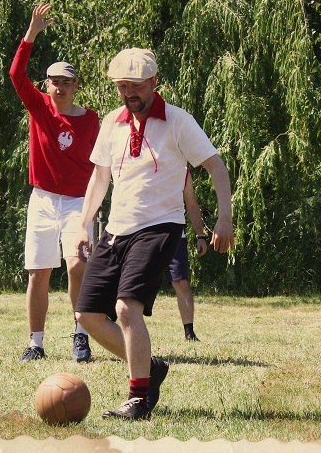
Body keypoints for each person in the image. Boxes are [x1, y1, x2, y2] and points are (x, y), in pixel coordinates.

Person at [74, 47, 234, 420]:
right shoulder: (112, 121)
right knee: (87, 314)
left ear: (154, 82)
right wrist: (84, 224)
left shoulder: (178, 121)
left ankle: (139, 398)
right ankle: (152, 368)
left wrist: (223, 218)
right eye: (121, 86)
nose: (129, 93)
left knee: (126, 308)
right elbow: (99, 178)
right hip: (117, 229)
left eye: (136, 86)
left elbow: (216, 166)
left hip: (160, 226)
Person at [9, 3, 100, 363]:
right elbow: (17, 74)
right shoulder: (40, 107)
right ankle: (35, 343)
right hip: (43, 200)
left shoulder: (92, 120)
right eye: (54, 81)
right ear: (47, 85)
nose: (59, 87)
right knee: (39, 272)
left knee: (78, 266)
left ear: (75, 86)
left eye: (66, 81)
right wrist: (31, 33)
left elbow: (102, 165)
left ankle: (81, 334)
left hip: (79, 203)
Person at [167, 169, 208, 342]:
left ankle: (189, 332)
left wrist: (200, 235)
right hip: (144, 233)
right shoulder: (145, 163)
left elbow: (191, 204)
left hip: (175, 235)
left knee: (181, 283)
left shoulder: (183, 171)